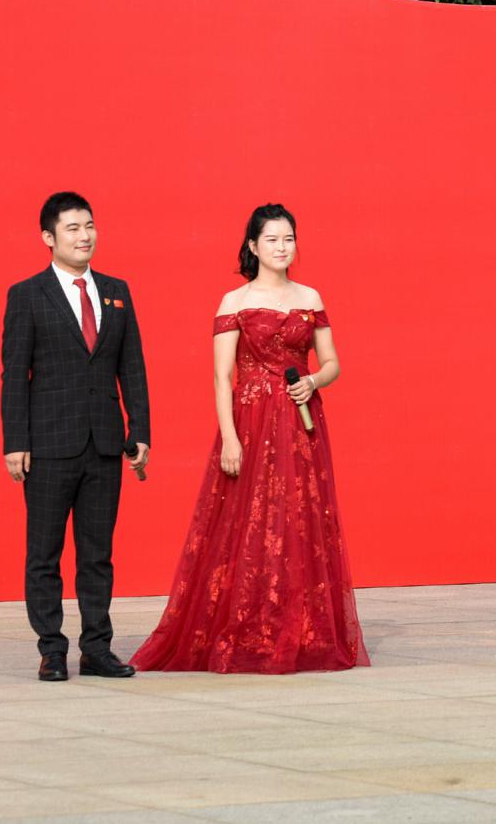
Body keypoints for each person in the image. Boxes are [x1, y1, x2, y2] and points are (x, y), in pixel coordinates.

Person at [131, 203, 370, 672]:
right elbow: (222, 378)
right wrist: (230, 437)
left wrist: (313, 381)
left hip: (301, 424)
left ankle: (300, 628)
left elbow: (333, 364)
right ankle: (247, 624)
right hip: (251, 423)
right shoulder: (234, 302)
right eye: (272, 240)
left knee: (299, 521)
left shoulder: (310, 297)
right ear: (253, 246)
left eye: (289, 239)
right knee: (249, 523)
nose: (282, 247)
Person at [0, 191, 150, 682]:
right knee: (43, 554)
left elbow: (132, 367)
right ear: (48, 237)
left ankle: (96, 648)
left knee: (97, 554)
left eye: (89, 226)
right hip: (48, 445)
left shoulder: (116, 291)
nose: (84, 236)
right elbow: (14, 373)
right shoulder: (27, 294)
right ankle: (51, 649)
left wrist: (139, 429)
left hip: (104, 443)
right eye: (72, 228)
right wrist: (15, 442)